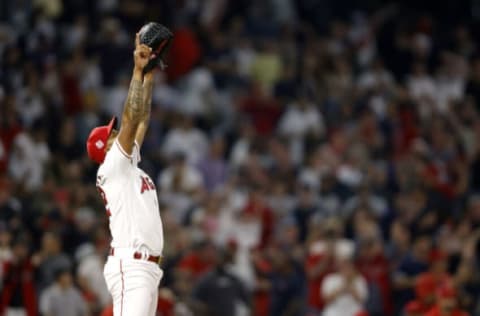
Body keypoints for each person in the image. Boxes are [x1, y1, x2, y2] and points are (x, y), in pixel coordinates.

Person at [86, 31, 164, 316]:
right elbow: (131, 120)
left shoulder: (127, 164)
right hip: (131, 267)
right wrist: (137, 70)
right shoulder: (112, 166)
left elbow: (141, 120)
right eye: (110, 133)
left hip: (145, 268)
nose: (116, 131)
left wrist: (150, 75)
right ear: (104, 147)